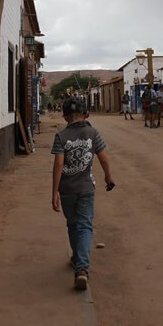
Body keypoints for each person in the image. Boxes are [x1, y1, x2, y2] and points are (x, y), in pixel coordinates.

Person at [51, 98, 114, 291]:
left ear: (64, 117)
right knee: (85, 226)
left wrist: (54, 192)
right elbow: (103, 157)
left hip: (67, 190)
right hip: (86, 188)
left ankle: (77, 258)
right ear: (86, 114)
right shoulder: (92, 133)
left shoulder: (61, 136)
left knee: (72, 224)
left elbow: (58, 165)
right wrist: (108, 178)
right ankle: (82, 269)